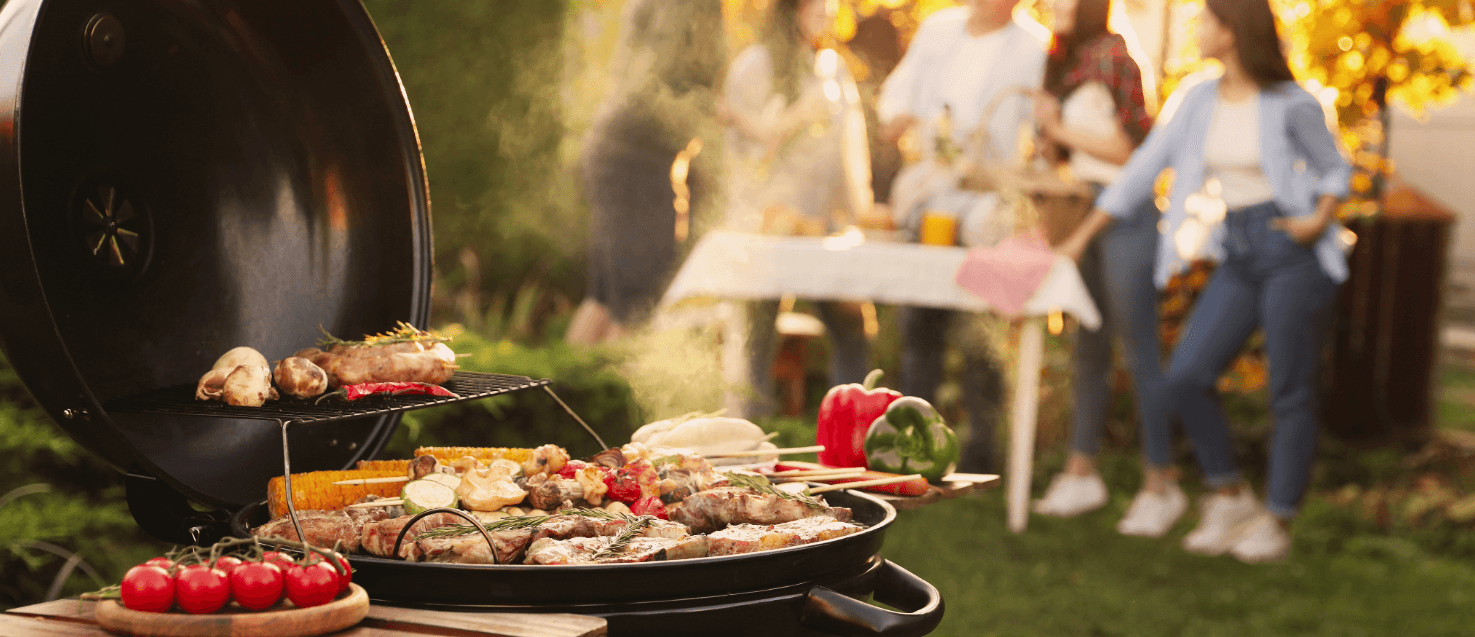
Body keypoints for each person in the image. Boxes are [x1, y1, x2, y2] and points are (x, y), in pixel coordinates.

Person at [1055, 0, 1351, 562]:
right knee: (1184, 377)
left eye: (1206, 20)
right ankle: (1230, 494)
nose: (1197, 29)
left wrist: (1319, 217)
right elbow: (1140, 172)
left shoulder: (1292, 103)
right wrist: (1081, 235)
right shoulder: (1197, 98)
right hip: (1238, 248)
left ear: (1232, 31)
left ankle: (1278, 519)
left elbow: (1335, 168)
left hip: (1293, 250)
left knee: (1288, 390)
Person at [1024, 0, 1183, 537]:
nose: (1051, 4)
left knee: (1139, 352)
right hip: (1078, 208)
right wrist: (1047, 140)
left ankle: (1162, 483)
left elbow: (1129, 151)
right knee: (1086, 347)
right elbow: (1068, 156)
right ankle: (1080, 471)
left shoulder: (1115, 56)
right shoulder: (1063, 64)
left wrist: (1060, 131)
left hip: (1126, 216)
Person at [876, 0, 1049, 472]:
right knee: (920, 324)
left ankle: (981, 451)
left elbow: (1040, 129)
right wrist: (896, 116)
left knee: (982, 331)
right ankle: (909, 445)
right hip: (930, 196)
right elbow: (900, 92)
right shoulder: (938, 30)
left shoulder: (1033, 46)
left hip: (986, 207)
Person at [718, 0, 874, 416]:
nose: (827, 8)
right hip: (765, 226)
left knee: (852, 327)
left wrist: (861, 213)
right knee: (755, 338)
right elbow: (738, 155)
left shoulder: (833, 68)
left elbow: (849, 154)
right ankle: (747, 445)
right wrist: (793, 119)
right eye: (816, 2)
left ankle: (850, 434)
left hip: (822, 228)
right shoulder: (755, 65)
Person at [566, 0, 726, 345]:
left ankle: (568, 394)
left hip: (613, 151)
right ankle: (609, 397)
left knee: (604, 299)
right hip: (637, 165)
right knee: (635, 308)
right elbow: (667, 91)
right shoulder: (693, 8)